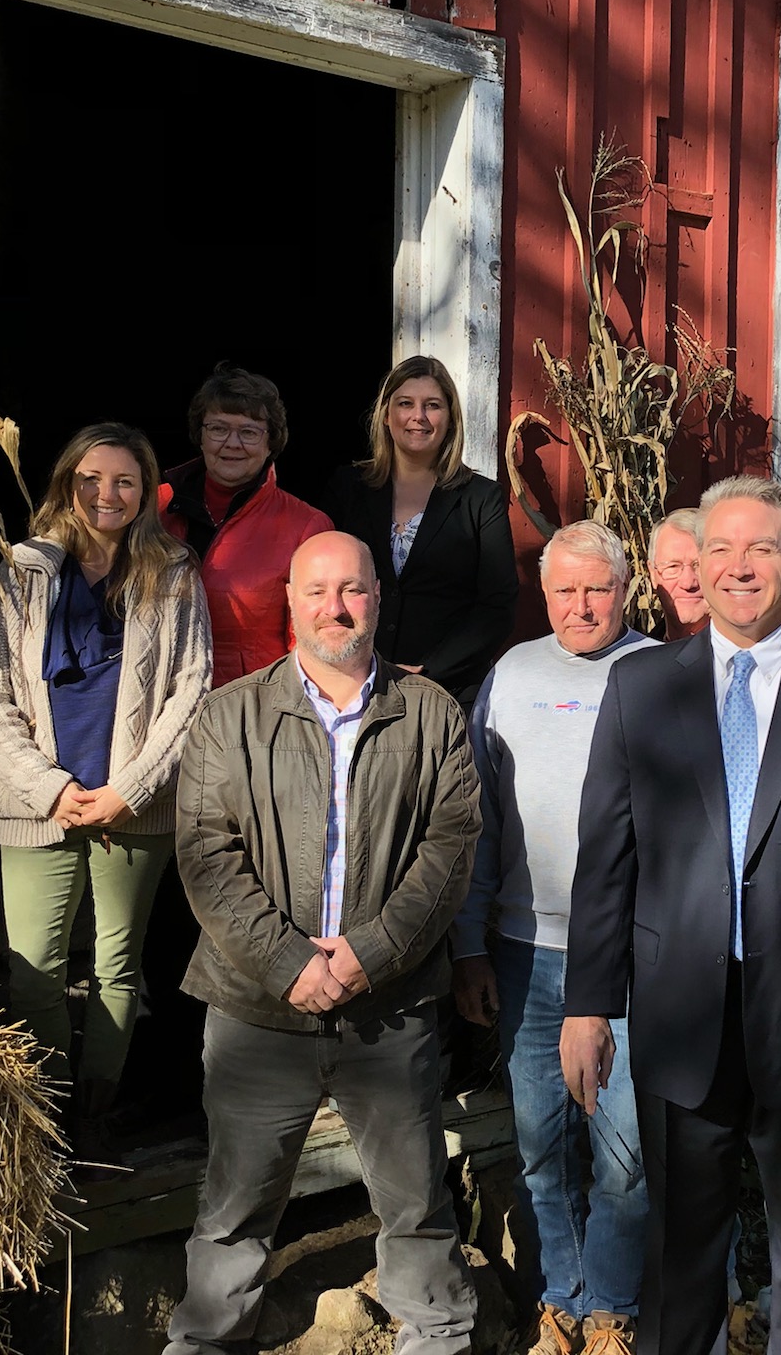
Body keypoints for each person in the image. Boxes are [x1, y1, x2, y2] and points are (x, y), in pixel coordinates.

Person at [562, 475, 781, 1355]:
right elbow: (606, 861)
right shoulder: (642, 688)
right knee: (681, 1252)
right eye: (720, 549)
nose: (738, 567)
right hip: (681, 1020)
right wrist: (586, 1003)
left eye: (760, 548)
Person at [164, 530, 481, 1355]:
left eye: (353, 589)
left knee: (415, 1200)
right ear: (291, 603)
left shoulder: (432, 714)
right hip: (256, 1008)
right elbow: (204, 853)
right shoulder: (228, 715)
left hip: (391, 1002)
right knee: (234, 1207)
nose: (336, 607)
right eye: (317, 591)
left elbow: (448, 854)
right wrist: (287, 962)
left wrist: (367, 955)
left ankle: (439, 1334)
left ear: (378, 597)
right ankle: (207, 1339)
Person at [0, 422, 213, 1142]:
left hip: (131, 808)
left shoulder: (171, 574)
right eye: (91, 480)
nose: (107, 495)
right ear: (67, 485)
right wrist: (47, 788)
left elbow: (190, 693)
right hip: (38, 803)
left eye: (124, 482)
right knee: (35, 970)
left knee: (117, 967)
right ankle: (47, 1116)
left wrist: (128, 790)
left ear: (146, 492)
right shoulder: (26, 569)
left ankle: (95, 1115)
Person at [453, 522, 656, 1355]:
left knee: (625, 1147)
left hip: (634, 954)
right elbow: (478, 824)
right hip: (524, 947)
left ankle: (611, 1306)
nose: (581, 605)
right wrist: (469, 944)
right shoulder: (510, 675)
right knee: (542, 1141)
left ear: (626, 590)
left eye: (597, 588)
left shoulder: (661, 674)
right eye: (565, 590)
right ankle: (560, 1298)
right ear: (544, 596)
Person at [325, 356, 518, 708]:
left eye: (433, 405)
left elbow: (497, 607)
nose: (419, 416)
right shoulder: (348, 488)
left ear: (450, 419)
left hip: (449, 691)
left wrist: (429, 670)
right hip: (355, 687)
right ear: (386, 415)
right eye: (405, 404)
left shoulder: (480, 498)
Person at [158, 365, 332, 687]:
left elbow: (312, 646)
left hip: (251, 711)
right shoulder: (154, 507)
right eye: (219, 428)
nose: (233, 443)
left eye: (249, 432)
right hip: (159, 703)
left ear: (271, 444)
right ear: (200, 434)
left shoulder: (306, 526)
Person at [647, 508, 708, 639]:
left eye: (699, 566)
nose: (688, 583)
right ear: (652, 574)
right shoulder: (638, 656)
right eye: (673, 566)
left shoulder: (749, 654)